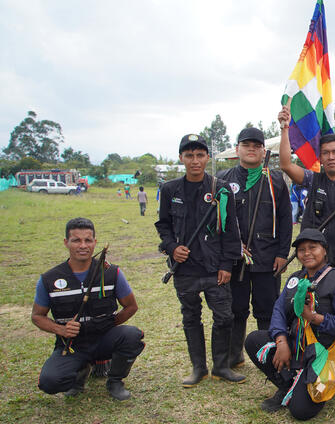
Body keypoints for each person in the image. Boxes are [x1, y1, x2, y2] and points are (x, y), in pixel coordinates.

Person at [155, 133, 244, 387]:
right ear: (181, 158)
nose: (195, 161)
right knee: (191, 316)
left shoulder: (221, 189)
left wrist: (227, 265)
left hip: (214, 267)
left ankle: (221, 366)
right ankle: (198, 368)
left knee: (224, 317)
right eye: (189, 155)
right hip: (185, 269)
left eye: (200, 155)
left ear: (207, 158)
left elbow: (231, 231)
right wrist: (172, 248)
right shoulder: (170, 189)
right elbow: (163, 225)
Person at [278, 106, 335, 379]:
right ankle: (306, 355)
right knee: (308, 309)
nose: (331, 157)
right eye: (325, 153)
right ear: (320, 157)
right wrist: (285, 128)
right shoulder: (313, 179)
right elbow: (286, 165)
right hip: (313, 261)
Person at [244, 229, 335, 420]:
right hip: (295, 346)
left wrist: (313, 317)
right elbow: (279, 310)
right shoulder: (296, 278)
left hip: (322, 354)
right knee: (254, 340)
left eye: (313, 248)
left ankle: (311, 384)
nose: (307, 253)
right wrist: (281, 342)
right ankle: (287, 384)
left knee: (301, 411)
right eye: (301, 249)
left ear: (325, 250)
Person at [33, 218, 144, 400]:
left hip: (103, 340)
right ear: (66, 243)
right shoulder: (50, 279)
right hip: (72, 346)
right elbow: (37, 316)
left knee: (132, 336)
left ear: (95, 243)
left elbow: (131, 306)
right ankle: (80, 373)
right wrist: (61, 329)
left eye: (88, 240)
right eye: (76, 240)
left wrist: (108, 324)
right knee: (50, 382)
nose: (83, 245)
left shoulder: (111, 273)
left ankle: (115, 380)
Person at [216, 127, 292, 369]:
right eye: (246, 145)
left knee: (267, 309)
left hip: (268, 258)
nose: (251, 149)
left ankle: (267, 355)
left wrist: (282, 253)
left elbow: (285, 219)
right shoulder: (223, 179)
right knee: (236, 308)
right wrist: (232, 247)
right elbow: (218, 220)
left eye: (256, 146)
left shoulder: (276, 179)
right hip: (235, 258)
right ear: (237, 149)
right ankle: (234, 354)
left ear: (262, 151)